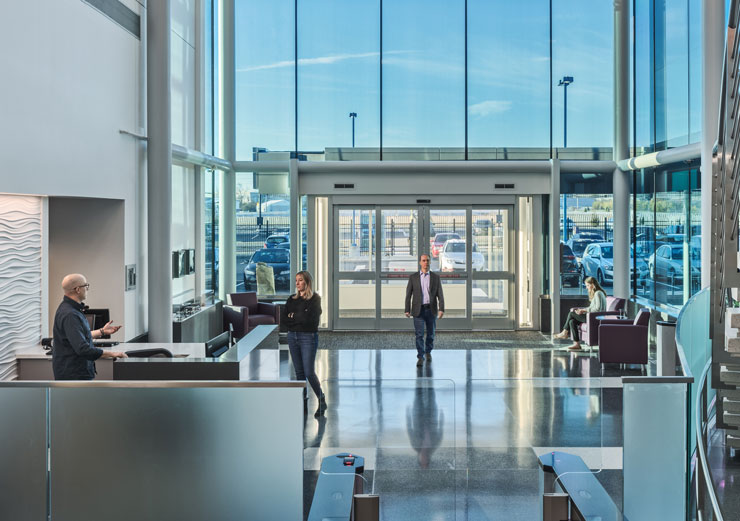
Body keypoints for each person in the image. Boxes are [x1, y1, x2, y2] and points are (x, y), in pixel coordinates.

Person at [52, 274, 127, 380]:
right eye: (86, 286)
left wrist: (102, 331)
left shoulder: (69, 309)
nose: (87, 289)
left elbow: (77, 337)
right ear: (78, 289)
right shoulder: (70, 314)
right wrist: (114, 353)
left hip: (75, 373)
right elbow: (83, 349)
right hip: (74, 376)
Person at [283, 270, 325, 417]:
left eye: (300, 280)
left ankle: (321, 399)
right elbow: (285, 320)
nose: (297, 283)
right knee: (299, 373)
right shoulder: (291, 299)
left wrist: (295, 316)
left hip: (308, 337)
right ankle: (303, 401)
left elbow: (311, 321)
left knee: (308, 372)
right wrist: (300, 317)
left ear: (307, 282)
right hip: (292, 337)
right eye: (296, 280)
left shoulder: (315, 299)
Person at [405, 254, 445, 367]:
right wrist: (407, 309)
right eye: (423, 261)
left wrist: (441, 308)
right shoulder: (413, 277)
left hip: (431, 310)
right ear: (420, 262)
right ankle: (420, 356)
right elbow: (408, 294)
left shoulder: (435, 277)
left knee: (431, 334)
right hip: (418, 310)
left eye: (427, 260)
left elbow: (440, 294)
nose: (425, 263)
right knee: (419, 334)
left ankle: (428, 352)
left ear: (430, 262)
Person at [553, 276, 607, 350]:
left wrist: (584, 310)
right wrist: (583, 310)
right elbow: (592, 308)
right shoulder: (597, 293)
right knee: (572, 321)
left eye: (588, 285)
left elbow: (598, 309)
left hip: (595, 318)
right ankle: (576, 344)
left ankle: (565, 332)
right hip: (592, 316)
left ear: (593, 284)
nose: (586, 287)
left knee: (571, 314)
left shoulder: (598, 293)